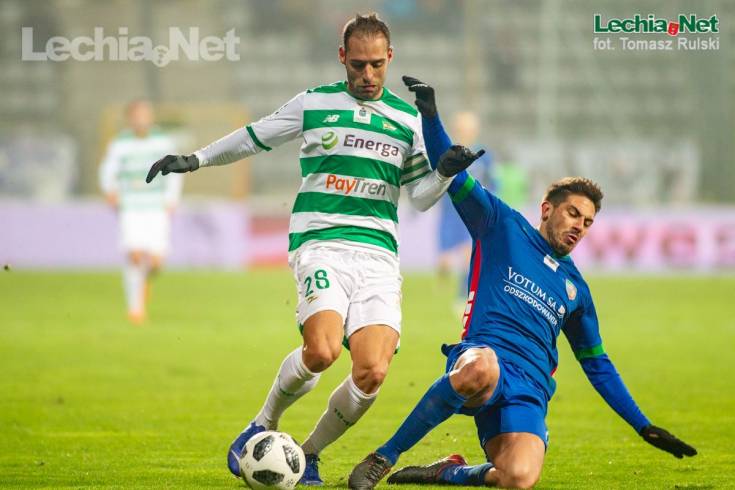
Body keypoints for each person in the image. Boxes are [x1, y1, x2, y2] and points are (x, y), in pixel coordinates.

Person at [145, 14, 478, 485]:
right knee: (321, 351)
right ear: (342, 57)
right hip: (320, 243)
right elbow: (255, 136)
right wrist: (195, 159)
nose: (368, 74)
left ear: (390, 58)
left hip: (379, 257)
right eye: (358, 64)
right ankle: (262, 423)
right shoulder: (314, 103)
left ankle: (309, 454)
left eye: (377, 65)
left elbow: (420, 199)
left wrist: (443, 171)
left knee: (373, 371)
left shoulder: (407, 121)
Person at [347, 78, 697, 489]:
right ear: (547, 209)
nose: (579, 226)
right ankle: (384, 456)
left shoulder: (576, 291)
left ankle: (450, 470)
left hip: (529, 389)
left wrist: (642, 425)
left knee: (518, 478)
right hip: (483, 359)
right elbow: (451, 170)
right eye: (573, 214)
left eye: (587, 222)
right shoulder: (502, 225)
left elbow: (597, 363)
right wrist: (431, 116)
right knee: (480, 368)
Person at [99, 99, 183, 325]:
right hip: (131, 206)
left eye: (145, 115)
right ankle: (135, 309)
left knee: (156, 262)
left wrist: (172, 198)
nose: (141, 120)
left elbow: (175, 170)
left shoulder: (163, 141)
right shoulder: (120, 143)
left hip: (156, 206)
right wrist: (110, 191)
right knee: (134, 255)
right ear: (130, 119)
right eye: (137, 116)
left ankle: (144, 281)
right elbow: (108, 170)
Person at [436, 111, 493, 312]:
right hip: (451, 211)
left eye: (469, 128)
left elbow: (493, 183)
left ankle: (464, 296)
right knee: (445, 262)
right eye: (462, 128)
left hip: (474, 211)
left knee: (469, 254)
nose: (466, 132)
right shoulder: (449, 152)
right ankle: (454, 290)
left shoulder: (484, 156)